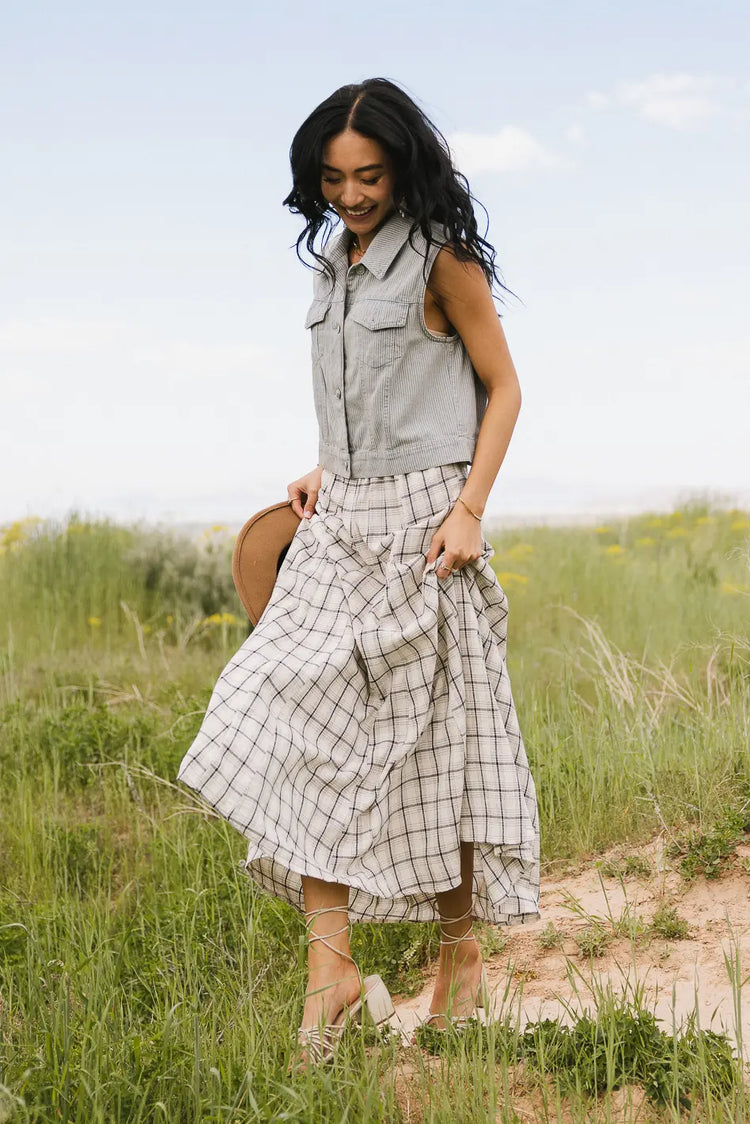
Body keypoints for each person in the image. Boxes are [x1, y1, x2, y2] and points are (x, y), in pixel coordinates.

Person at [176, 77, 540, 1071]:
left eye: (369, 175)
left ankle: (458, 959)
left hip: (428, 526)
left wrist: (470, 509)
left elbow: (503, 387)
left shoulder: (441, 256)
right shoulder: (334, 264)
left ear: (403, 166)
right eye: (334, 178)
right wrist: (327, 463)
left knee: (437, 754)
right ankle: (332, 972)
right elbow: (365, 392)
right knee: (280, 710)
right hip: (343, 518)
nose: (351, 193)